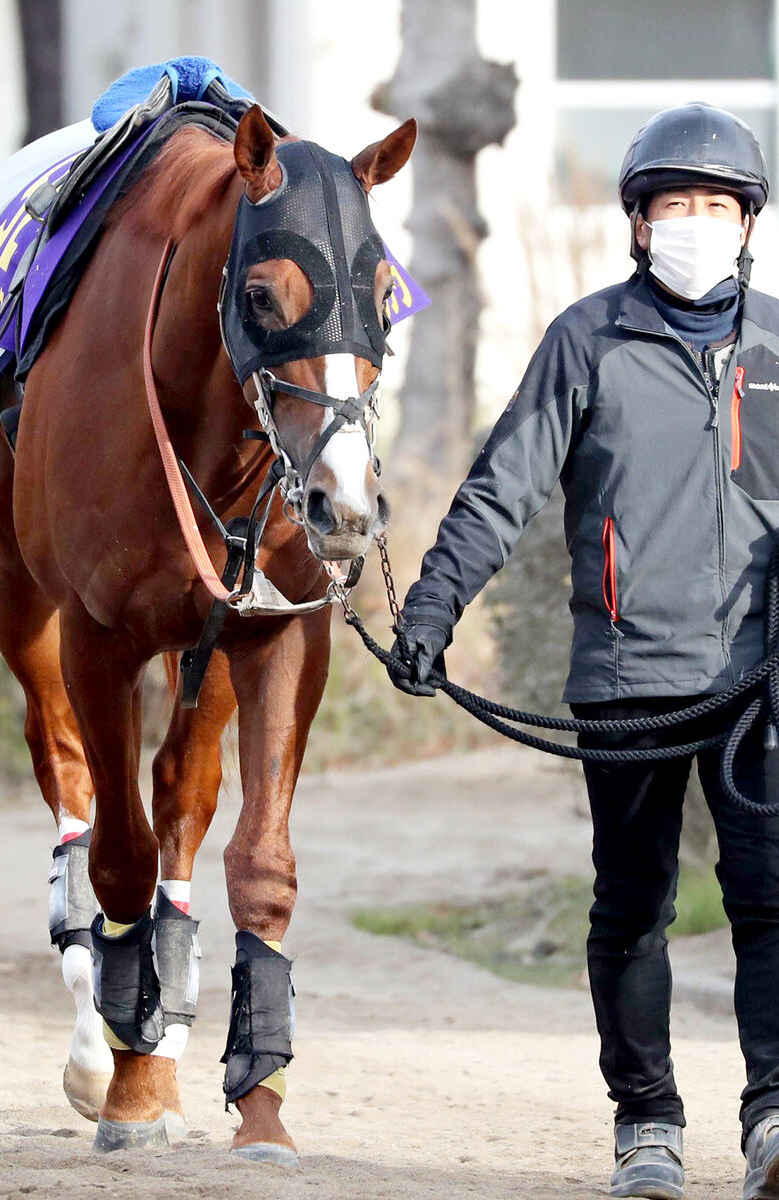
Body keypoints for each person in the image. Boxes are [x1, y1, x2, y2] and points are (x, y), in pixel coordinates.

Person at [389, 103, 779, 1200]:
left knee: (768, 901)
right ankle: (644, 1124)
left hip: (759, 681)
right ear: (638, 221)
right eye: (673, 204)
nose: (693, 222)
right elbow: (500, 489)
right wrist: (430, 610)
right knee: (631, 903)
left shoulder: (777, 345)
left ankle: (771, 1116)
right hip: (628, 679)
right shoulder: (585, 339)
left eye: (713, 204)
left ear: (743, 222)